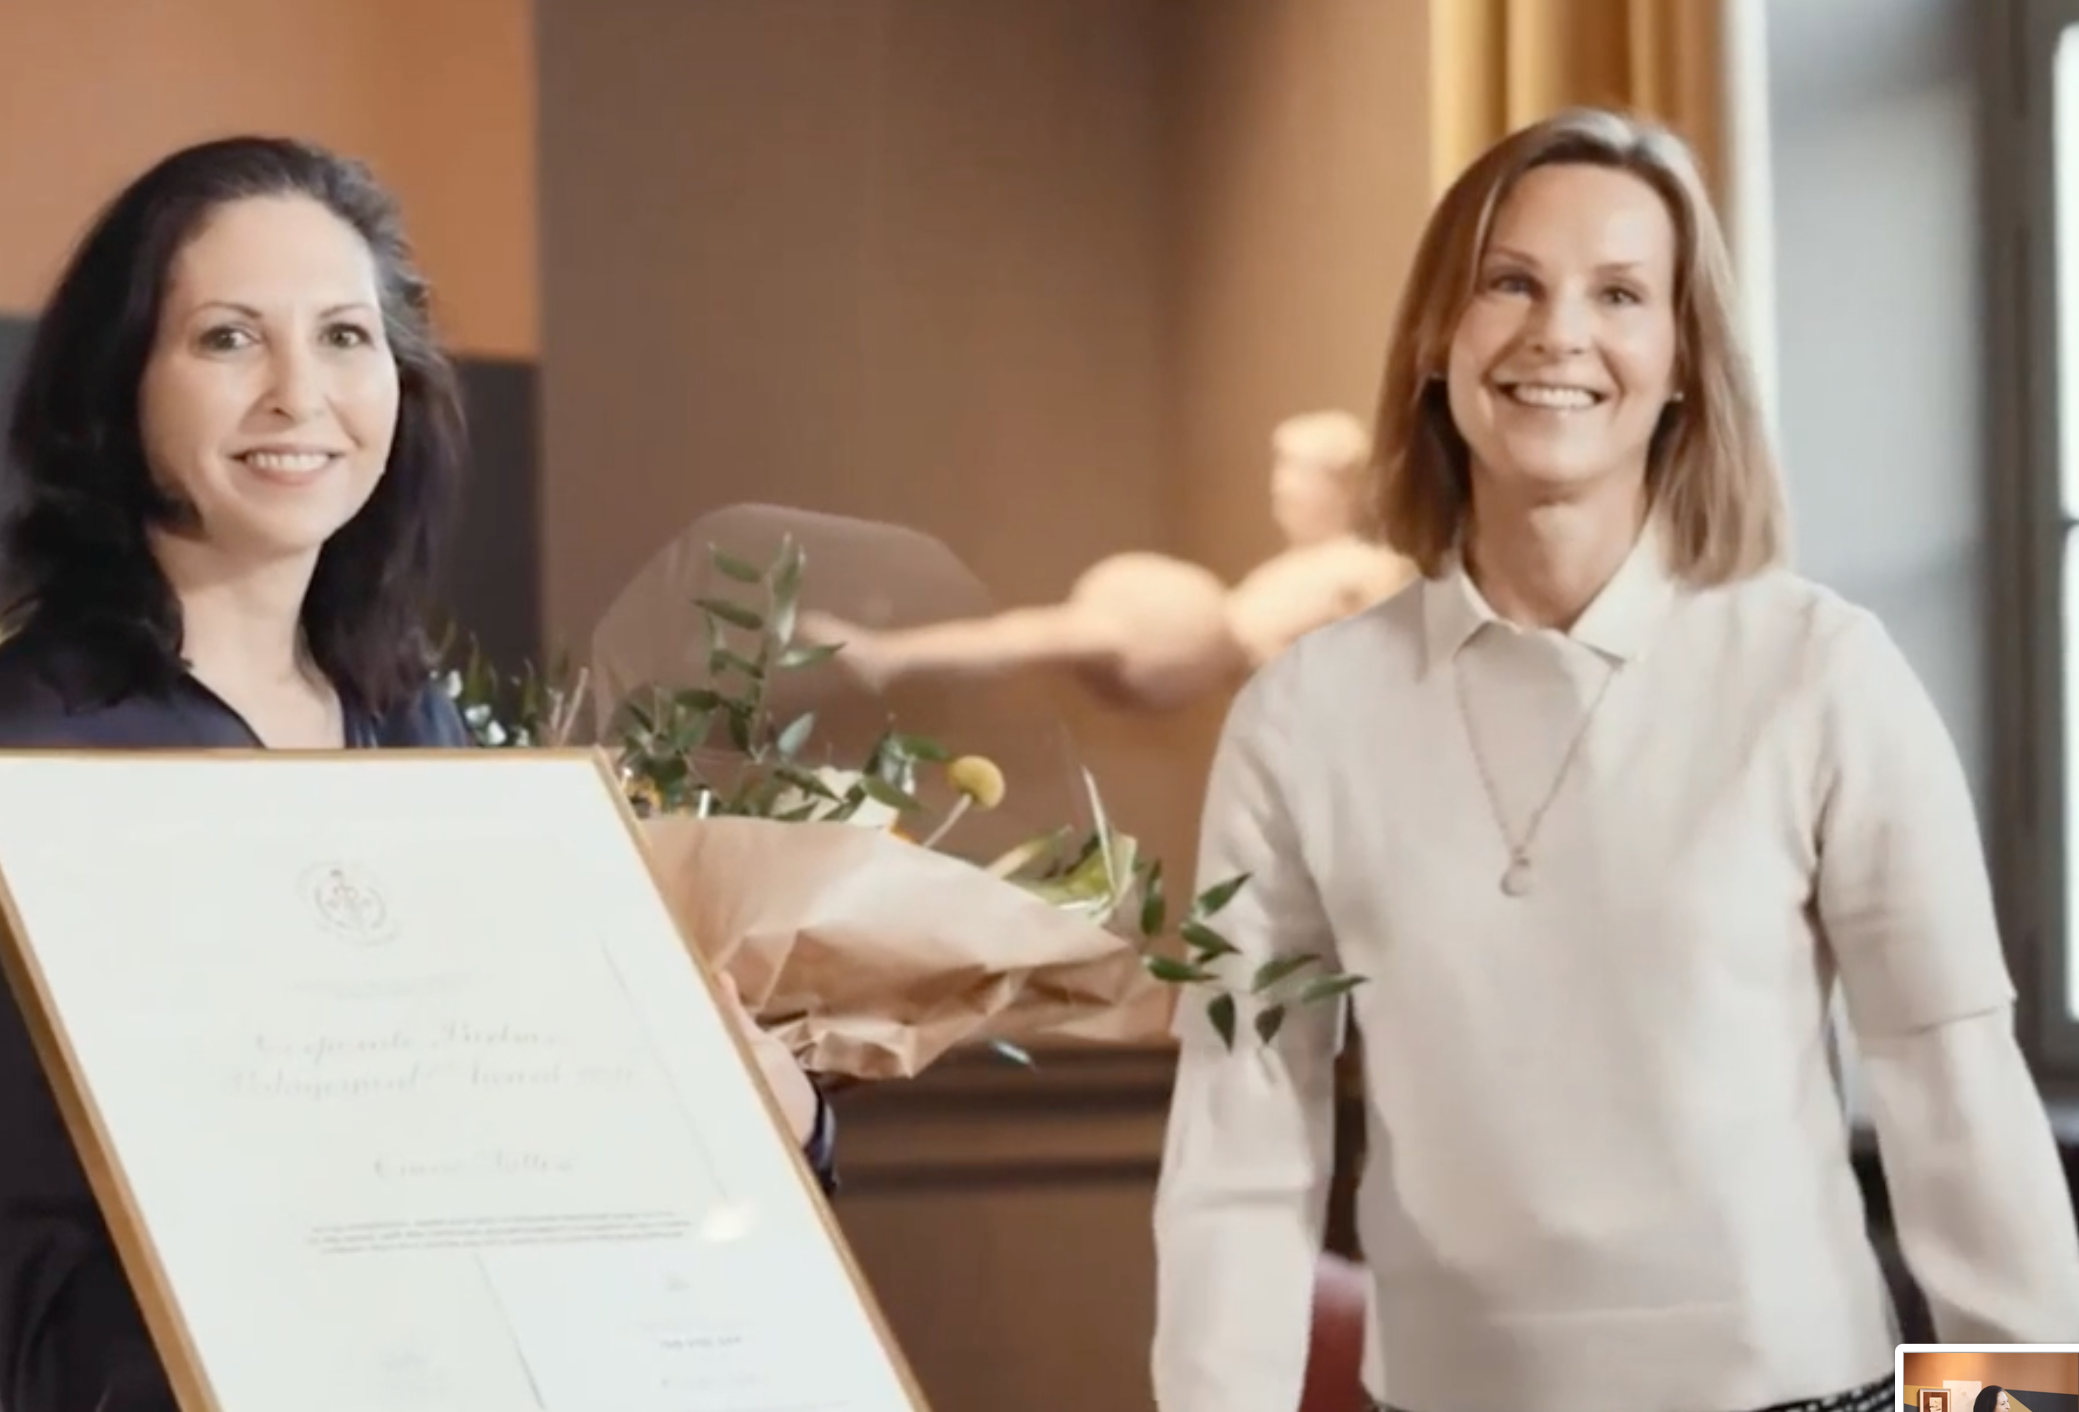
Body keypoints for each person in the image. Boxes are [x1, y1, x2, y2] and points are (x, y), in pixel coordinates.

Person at [0, 136, 838, 1412]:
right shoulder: (16, 747)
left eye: (343, 336)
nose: (299, 393)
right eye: (228, 338)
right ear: (118, 385)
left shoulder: (412, 718)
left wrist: (764, 1111)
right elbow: (51, 1256)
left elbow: (515, 1144)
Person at [1151, 106, 2079, 1412]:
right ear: (1434, 337)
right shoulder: (1303, 714)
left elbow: (1955, 1094)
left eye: (1621, 294)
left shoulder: (1819, 671)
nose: (1559, 334)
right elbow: (1241, 1143)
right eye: (1509, 282)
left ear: (1683, 358)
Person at [798, 410, 1413, 713]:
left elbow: (1376, 671)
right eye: (1281, 481)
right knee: (1039, 631)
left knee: (1042, 634)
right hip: (1193, 625)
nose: (1283, 494)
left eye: (1300, 482)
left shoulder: (1367, 570)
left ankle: (893, 657)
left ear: (1343, 490)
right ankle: (893, 656)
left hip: (1192, 640)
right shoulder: (1289, 569)